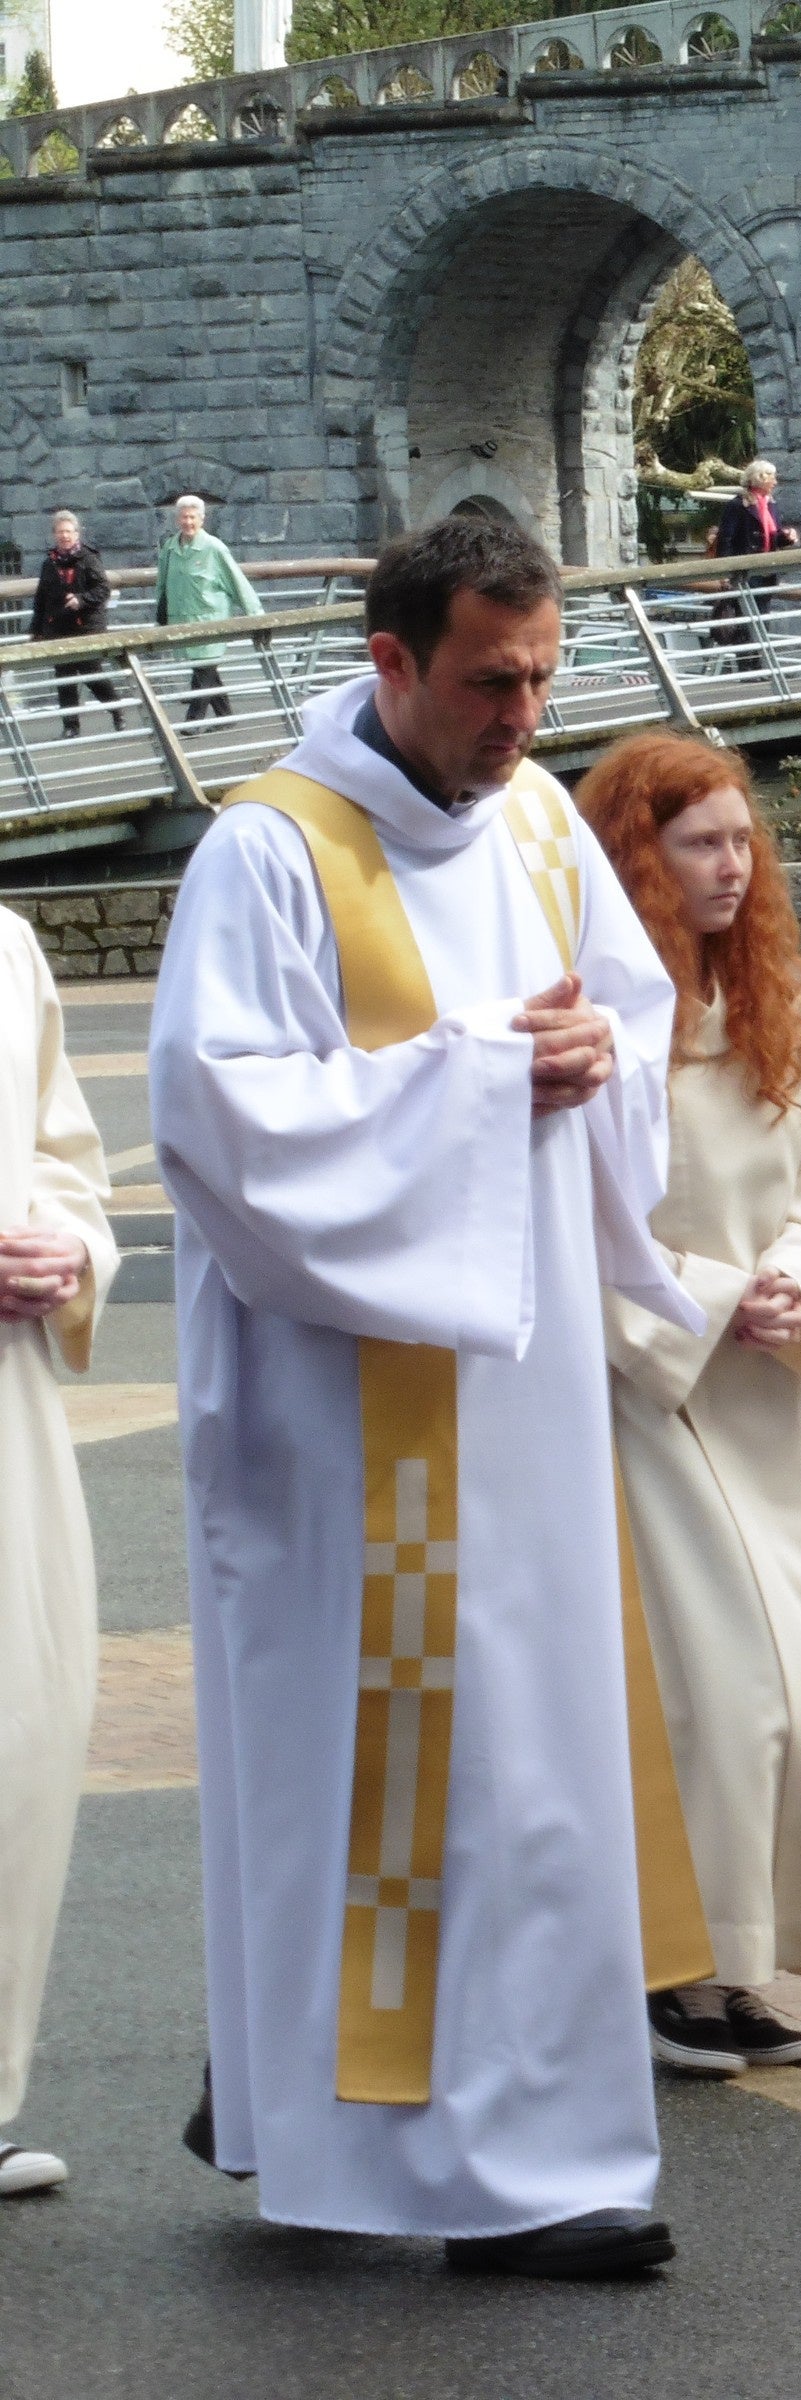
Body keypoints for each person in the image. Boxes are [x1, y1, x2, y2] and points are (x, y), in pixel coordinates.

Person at [150, 513, 715, 2280]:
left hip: (522, 1395)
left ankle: (488, 2130)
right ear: (390, 662)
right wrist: (482, 1077)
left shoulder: (543, 821)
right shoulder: (269, 852)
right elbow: (222, 1127)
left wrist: (595, 1059)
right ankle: (435, 2159)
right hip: (344, 1419)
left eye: (545, 676)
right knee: (392, 1773)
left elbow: (623, 1019)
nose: (524, 715)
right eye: (490, 680)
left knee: (531, 1763)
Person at [572, 731, 801, 2079]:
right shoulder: (603, 1031)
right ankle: (669, 1969)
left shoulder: (780, 1017)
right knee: (714, 1693)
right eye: (698, 841)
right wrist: (710, 1298)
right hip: (645, 1400)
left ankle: (742, 1967)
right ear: (637, 861)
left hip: (768, 1395)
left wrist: (799, 1284)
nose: (733, 864)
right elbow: (574, 1223)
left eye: (741, 838)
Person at [0, 898, 116, 2201]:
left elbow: (67, 1157)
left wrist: (66, 1245)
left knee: (17, 1741)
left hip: (7, 1405)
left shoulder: (7, 947)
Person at [156, 495, 259, 723]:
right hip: (182, 618)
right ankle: (225, 716)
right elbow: (162, 583)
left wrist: (256, 615)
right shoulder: (170, 548)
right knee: (203, 668)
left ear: (202, 520)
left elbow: (237, 581)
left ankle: (194, 720)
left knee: (204, 668)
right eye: (184, 517)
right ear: (177, 520)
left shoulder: (214, 548)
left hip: (211, 619)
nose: (188, 522)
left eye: (193, 517)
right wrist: (160, 613)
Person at [29, 511, 126, 738]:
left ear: (76, 533)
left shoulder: (88, 558)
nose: (64, 536)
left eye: (68, 531)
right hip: (59, 627)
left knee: (91, 672)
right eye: (60, 532)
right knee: (64, 676)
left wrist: (81, 600)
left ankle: (116, 710)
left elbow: (103, 589)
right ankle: (71, 725)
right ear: (54, 535)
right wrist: (36, 629)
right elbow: (41, 598)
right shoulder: (49, 563)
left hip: (87, 626)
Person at [706, 462, 787, 668]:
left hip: (767, 570)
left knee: (762, 617)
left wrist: (787, 538)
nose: (775, 482)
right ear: (760, 478)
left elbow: (773, 537)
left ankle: (759, 665)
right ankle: (746, 667)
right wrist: (725, 571)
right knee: (745, 617)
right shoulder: (737, 505)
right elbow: (726, 539)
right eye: (772, 477)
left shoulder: (771, 504)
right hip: (745, 571)